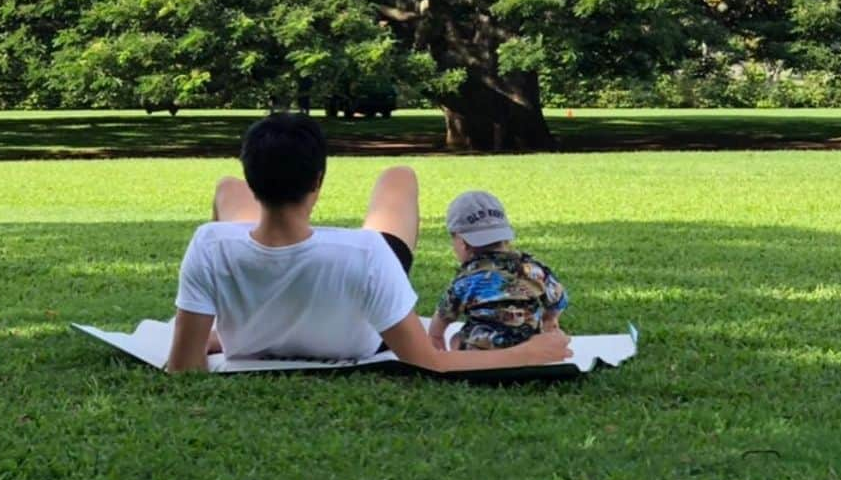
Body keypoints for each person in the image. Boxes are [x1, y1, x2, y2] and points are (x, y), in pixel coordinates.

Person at [167, 112, 572, 374]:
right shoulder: (369, 253)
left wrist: (215, 333)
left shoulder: (209, 243)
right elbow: (429, 361)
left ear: (257, 181)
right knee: (398, 176)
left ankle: (252, 298)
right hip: (356, 271)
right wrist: (529, 353)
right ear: (318, 183)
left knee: (226, 188)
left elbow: (182, 368)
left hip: (256, 261)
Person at [427, 190, 567, 352]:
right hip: (528, 347)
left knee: (456, 339)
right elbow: (558, 298)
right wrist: (550, 319)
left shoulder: (465, 279)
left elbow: (444, 316)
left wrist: (435, 338)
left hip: (482, 351)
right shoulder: (534, 269)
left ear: (462, 242)